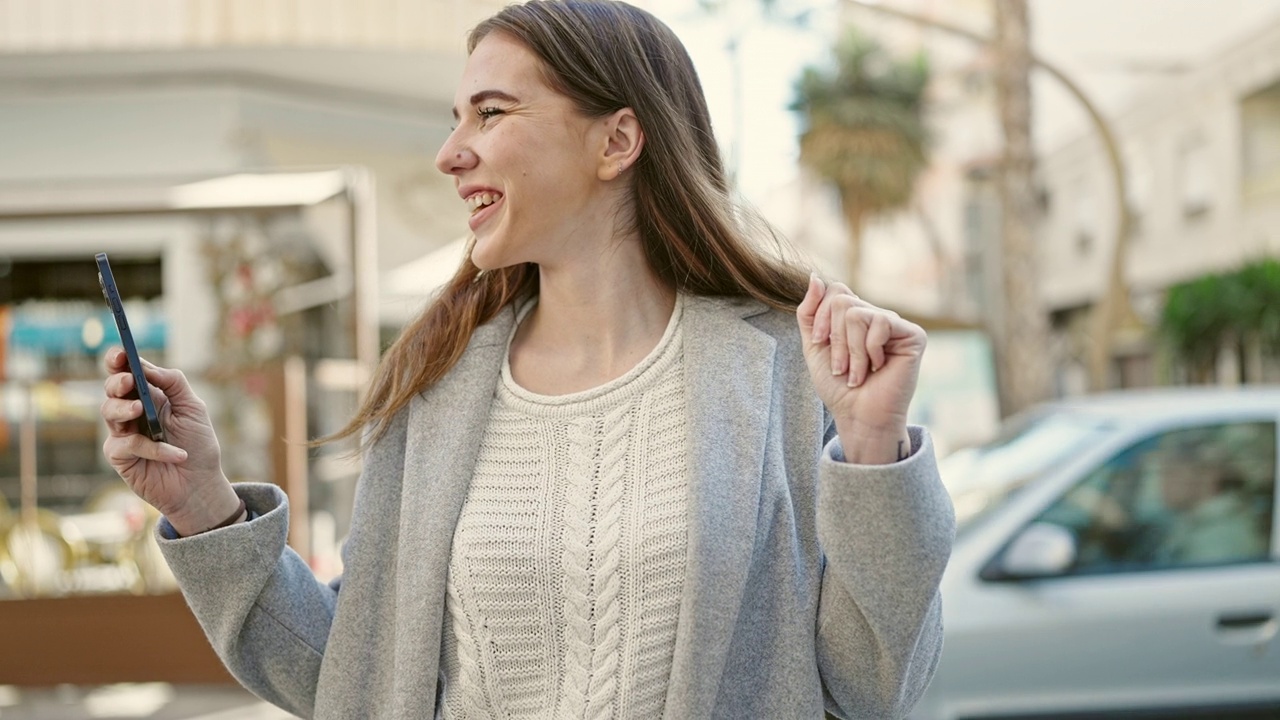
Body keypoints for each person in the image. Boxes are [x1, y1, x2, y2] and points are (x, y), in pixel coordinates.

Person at [99, 1, 955, 718]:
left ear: (616, 142)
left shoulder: (779, 371)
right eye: (456, 119)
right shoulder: (435, 392)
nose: (450, 153)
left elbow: (871, 687)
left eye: (492, 112)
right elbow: (353, 680)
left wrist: (872, 447)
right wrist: (205, 505)